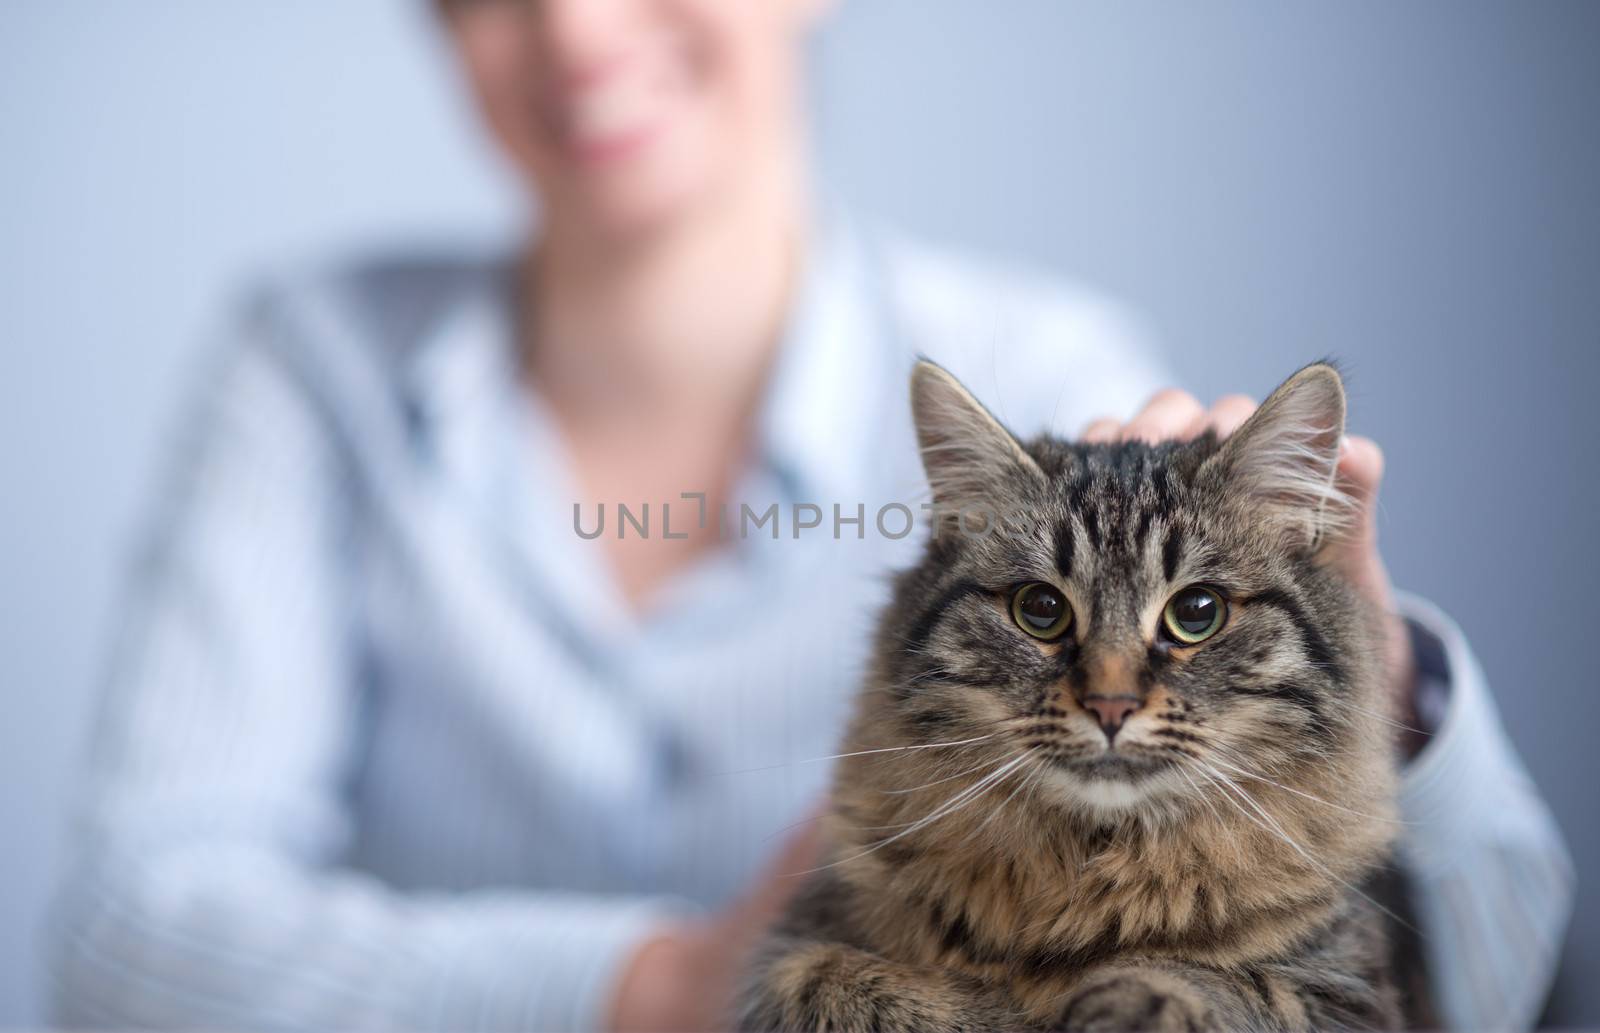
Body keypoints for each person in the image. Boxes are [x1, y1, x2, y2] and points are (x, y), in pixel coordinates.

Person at [49, 0, 1572, 1030]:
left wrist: (1389, 692)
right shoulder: (310, 362)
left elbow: (1506, 978)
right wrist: (667, 982)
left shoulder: (1048, 369)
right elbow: (123, 939)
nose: (576, 31)